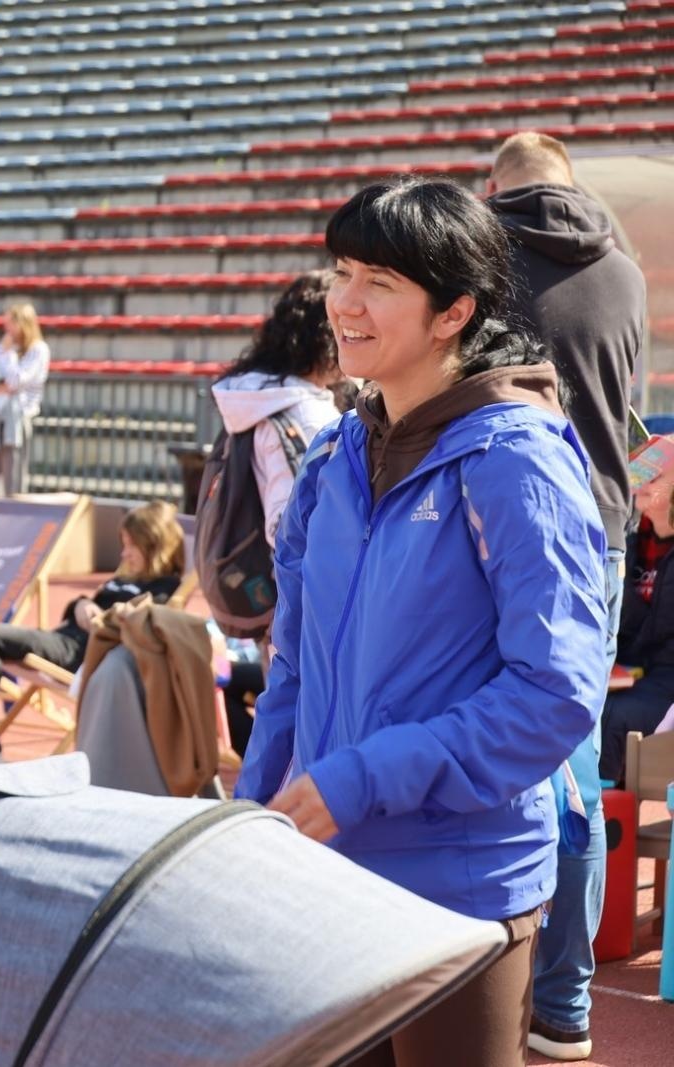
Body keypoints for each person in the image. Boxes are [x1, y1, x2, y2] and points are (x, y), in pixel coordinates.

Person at [236, 178, 607, 1067]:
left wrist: (362, 778)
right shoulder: (335, 453)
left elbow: (555, 694)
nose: (346, 303)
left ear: (455, 314)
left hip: (460, 887)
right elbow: (294, 664)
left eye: (382, 283)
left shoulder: (515, 460)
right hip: (329, 876)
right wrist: (250, 814)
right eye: (342, 271)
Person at [487, 130, 646, 1063]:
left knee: (467, 736)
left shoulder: (477, 254)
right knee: (572, 766)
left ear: (495, 185)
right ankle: (567, 1004)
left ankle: (465, 985)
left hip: (499, 522)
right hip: (602, 531)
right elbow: (622, 404)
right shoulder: (623, 272)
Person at [0, 501, 183, 760]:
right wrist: (81, 603)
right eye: (124, 545)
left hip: (81, 652)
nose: (124, 554)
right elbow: (91, 604)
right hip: (65, 639)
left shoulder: (166, 589)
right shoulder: (126, 577)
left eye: (132, 546)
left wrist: (106, 616)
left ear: (154, 546)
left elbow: (143, 627)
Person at [210, 270, 347, 548]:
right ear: (324, 337)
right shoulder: (302, 412)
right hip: (292, 582)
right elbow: (288, 527)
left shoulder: (259, 397)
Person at [598, 463, 674, 786]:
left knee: (614, 717)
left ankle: (601, 813)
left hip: (666, 678)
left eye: (657, 474)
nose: (644, 478)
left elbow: (660, 636)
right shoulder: (626, 537)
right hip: (626, 668)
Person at [0, 302, 50, 497]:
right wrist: (3, 386)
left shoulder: (38, 350)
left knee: (13, 482)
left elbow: (16, 381)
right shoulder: (1, 348)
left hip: (16, 420)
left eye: (10, 323)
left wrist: (7, 356)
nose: (6, 328)